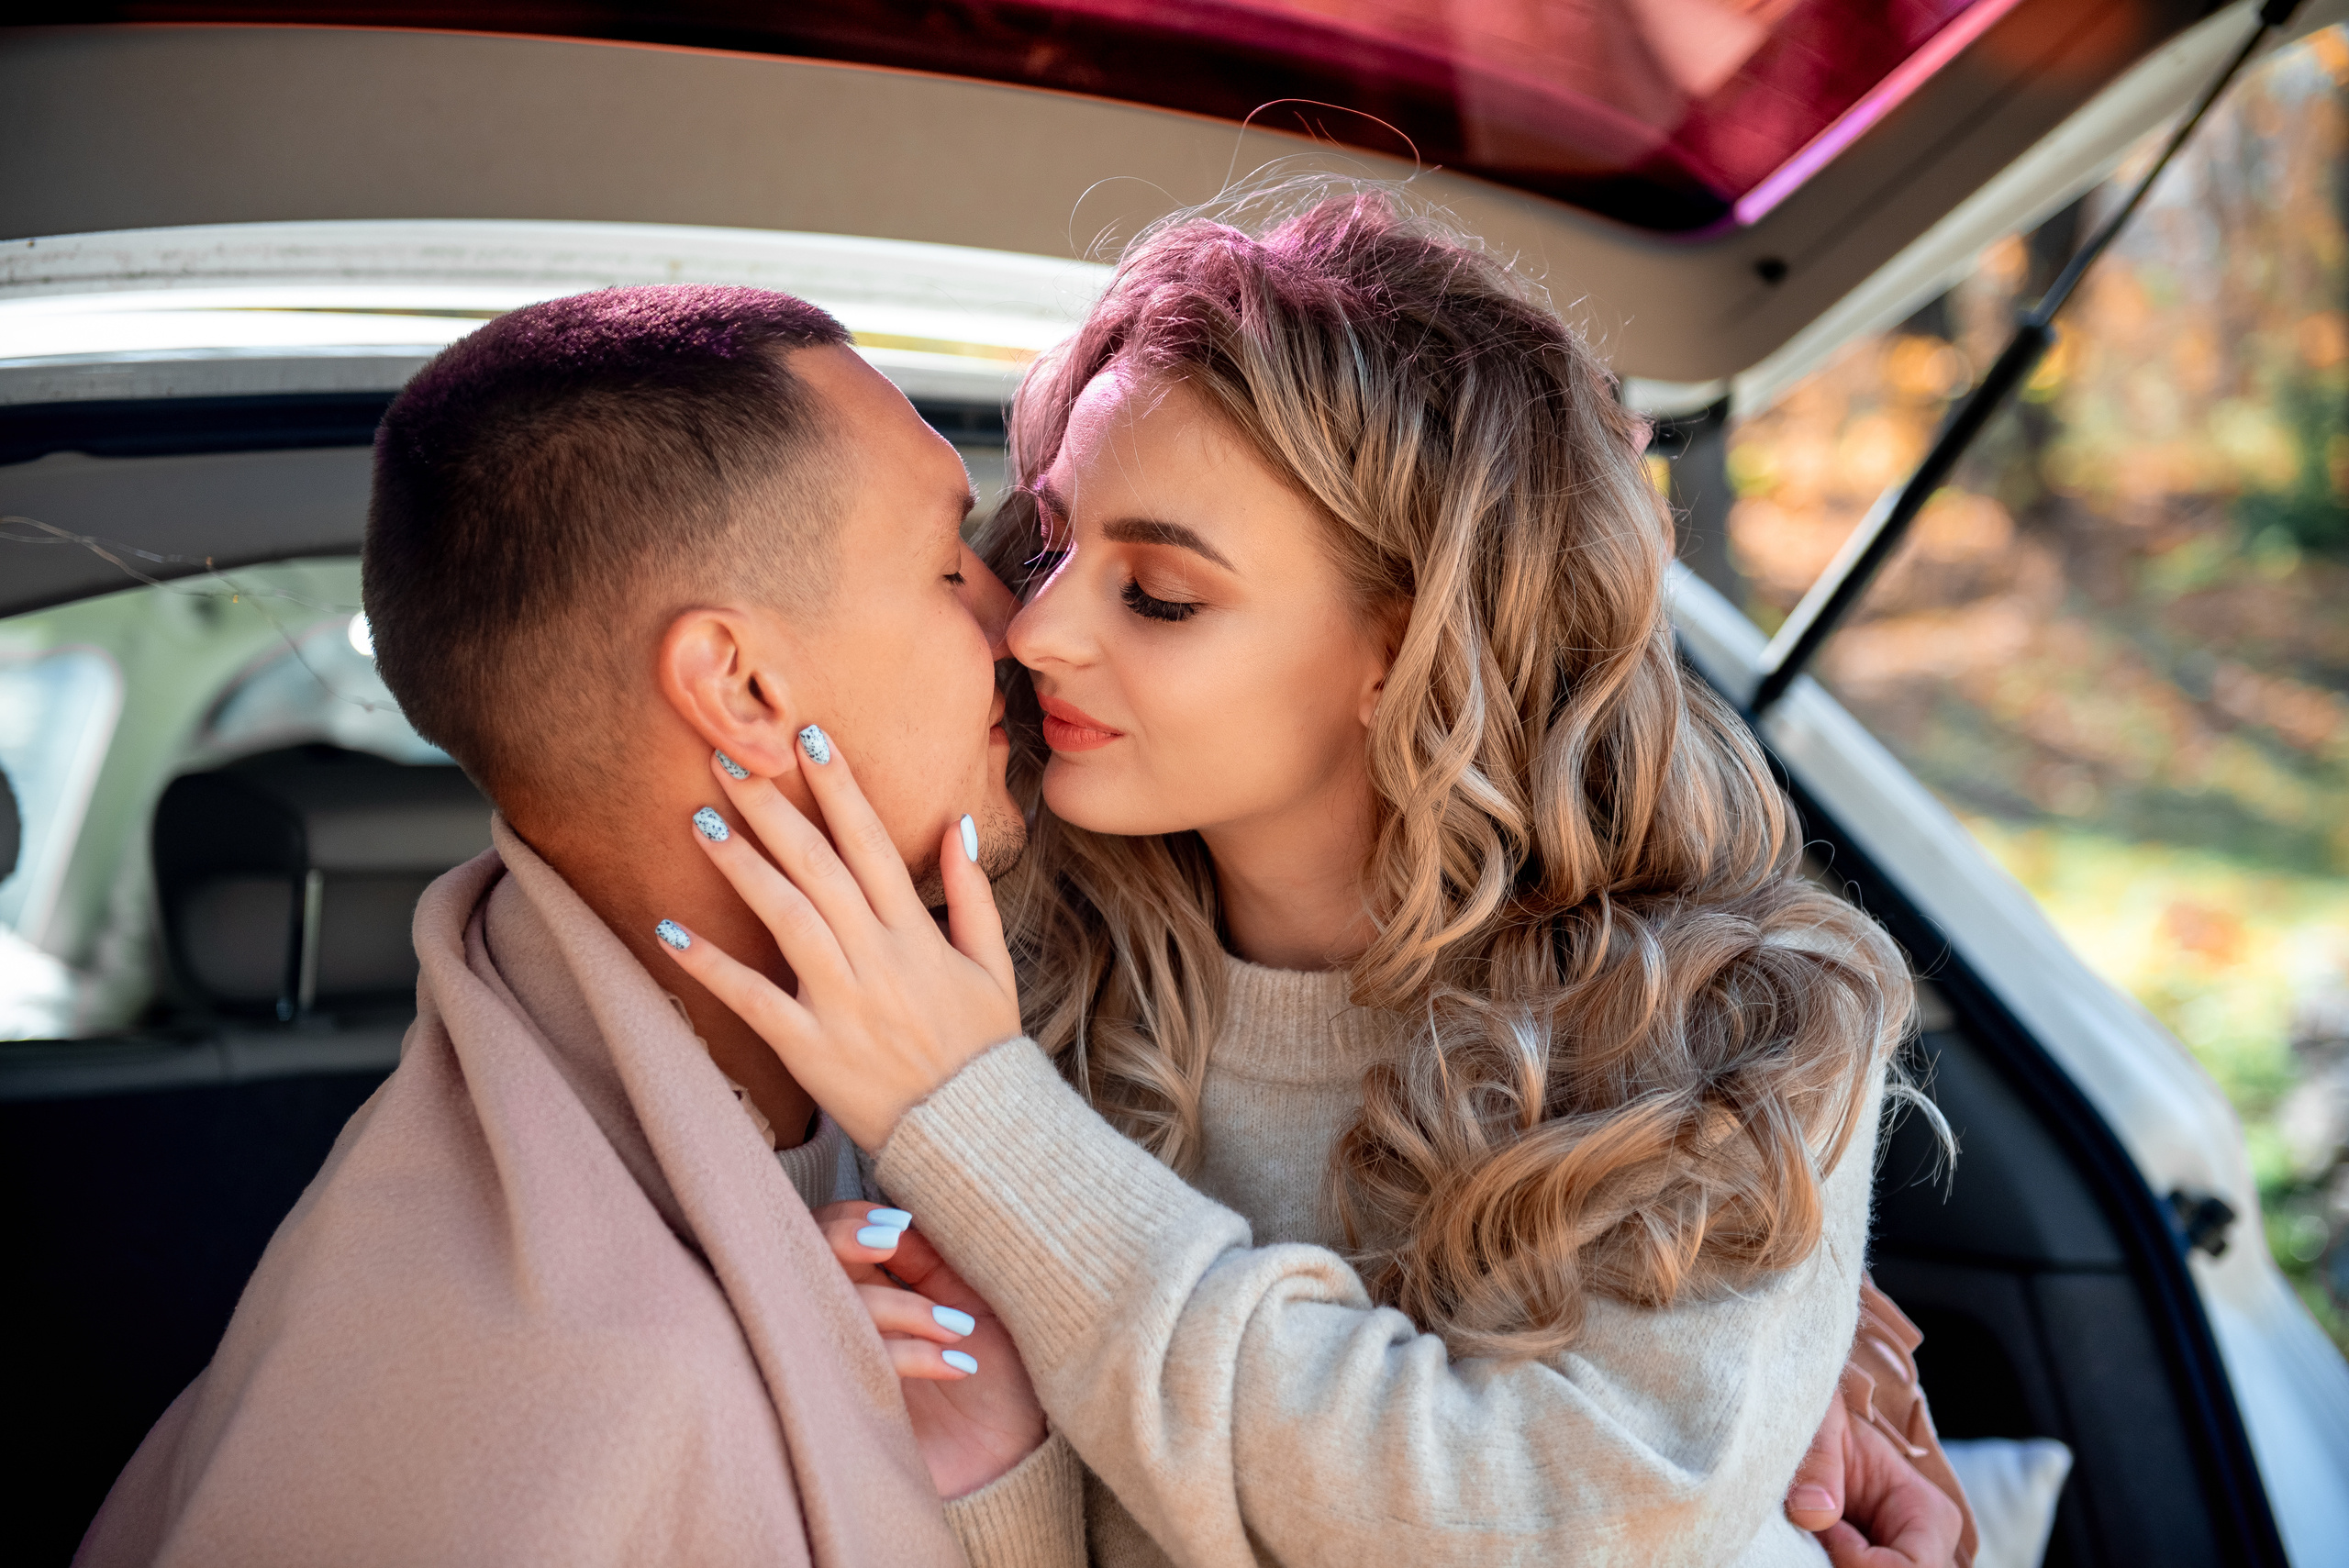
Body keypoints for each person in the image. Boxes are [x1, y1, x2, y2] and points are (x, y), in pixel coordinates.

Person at [661, 192, 1974, 1568]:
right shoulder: (986, 978)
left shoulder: (1735, 1029)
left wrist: (977, 1123)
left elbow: (1536, 1530)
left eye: (1159, 593)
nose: (1035, 628)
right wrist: (996, 1461)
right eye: (1051, 540)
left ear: (1404, 649)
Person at [74, 285, 1081, 1568]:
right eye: (950, 567)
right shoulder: (575, 1412)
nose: (1025, 625)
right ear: (744, 688)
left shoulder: (797, 1128)